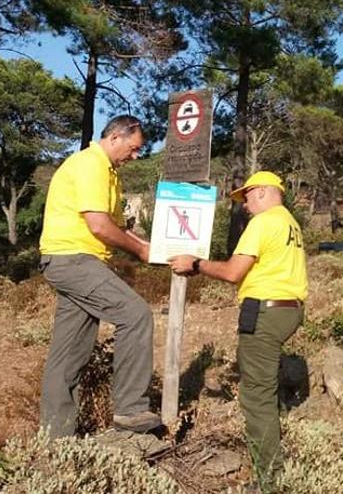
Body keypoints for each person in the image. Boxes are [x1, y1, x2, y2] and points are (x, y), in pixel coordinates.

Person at [168, 170, 307, 482]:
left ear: (261, 192)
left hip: (265, 312)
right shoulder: (290, 223)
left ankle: (269, 479)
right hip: (288, 310)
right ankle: (276, 455)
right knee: (264, 387)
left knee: (256, 396)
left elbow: (233, 272)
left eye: (246, 197)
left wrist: (196, 264)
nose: (244, 205)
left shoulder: (264, 222)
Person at [38, 115, 161, 438]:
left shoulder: (109, 172)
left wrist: (146, 245)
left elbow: (116, 228)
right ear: (116, 137)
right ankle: (131, 410)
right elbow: (99, 226)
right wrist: (139, 251)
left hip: (74, 261)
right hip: (73, 259)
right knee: (136, 315)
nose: (135, 156)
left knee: (69, 354)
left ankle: (55, 439)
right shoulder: (90, 164)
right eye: (133, 149)